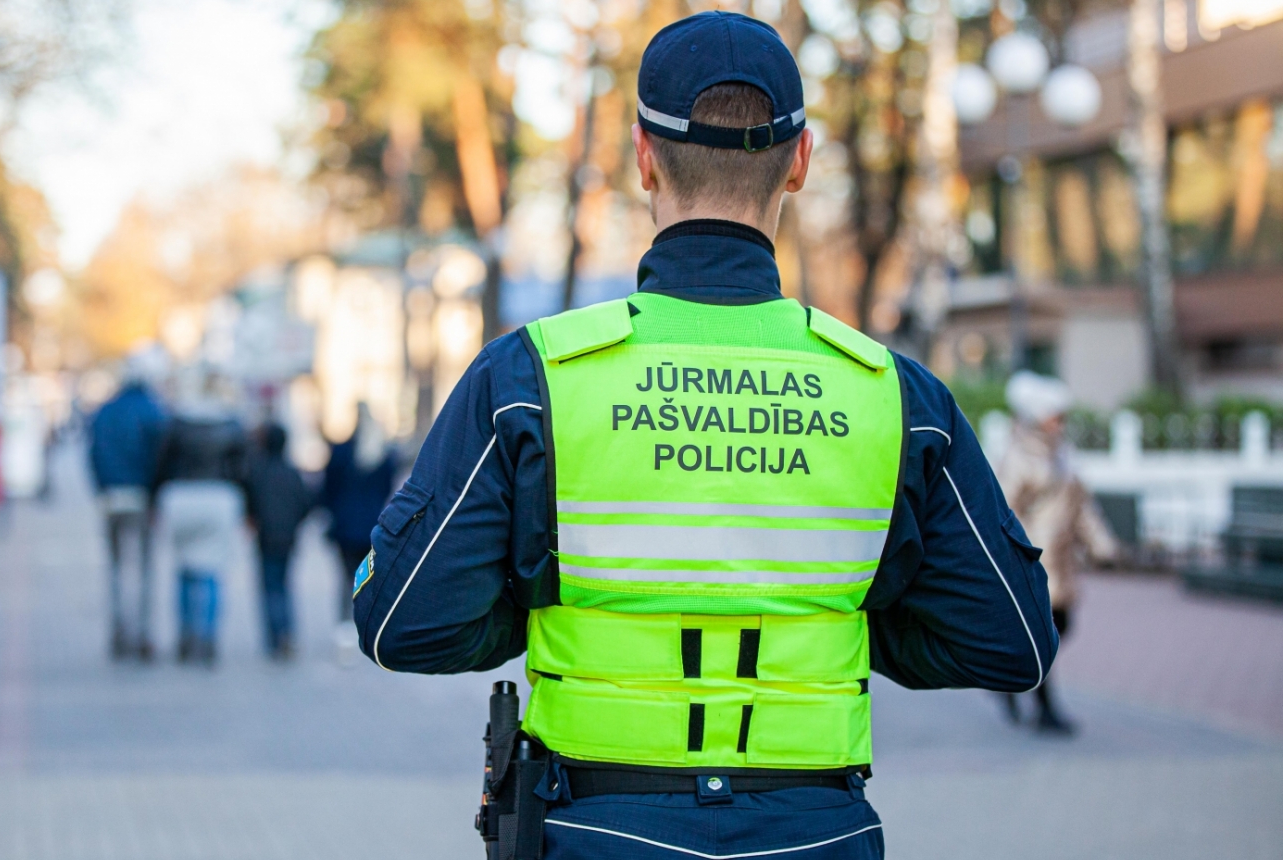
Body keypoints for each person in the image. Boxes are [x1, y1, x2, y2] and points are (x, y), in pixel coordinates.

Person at [352, 12, 1059, 859]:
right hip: (814, 836)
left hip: (594, 828)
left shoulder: (531, 378)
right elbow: (1014, 640)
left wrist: (544, 601)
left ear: (643, 156)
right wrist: (837, 615)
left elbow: (402, 621)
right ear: (799, 164)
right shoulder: (893, 394)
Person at [996, 371, 1118, 735]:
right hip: (1033, 563)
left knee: (1062, 626)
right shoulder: (1019, 456)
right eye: (1054, 415)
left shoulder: (1064, 456)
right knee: (1044, 637)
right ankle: (1045, 709)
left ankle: (1007, 679)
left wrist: (1104, 548)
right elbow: (1002, 511)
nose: (1060, 422)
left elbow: (1083, 509)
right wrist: (1011, 557)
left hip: (1062, 562)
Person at [153, 369, 248, 665]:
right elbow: (243, 470)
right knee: (212, 572)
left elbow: (161, 464)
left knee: (184, 569)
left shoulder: (177, 422)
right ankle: (207, 637)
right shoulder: (231, 424)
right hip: (219, 499)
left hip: (181, 497)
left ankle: (185, 635)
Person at [87, 345, 168, 661]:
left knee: (117, 568)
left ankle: (120, 632)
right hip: (142, 496)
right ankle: (144, 634)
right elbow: (161, 455)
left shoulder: (106, 411)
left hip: (111, 496)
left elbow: (93, 453)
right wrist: (155, 494)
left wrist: (102, 487)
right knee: (146, 569)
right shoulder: (153, 409)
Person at [321, 403, 396, 663]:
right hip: (373, 528)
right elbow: (388, 491)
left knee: (346, 581)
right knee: (369, 582)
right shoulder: (383, 455)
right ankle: (368, 632)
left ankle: (345, 637)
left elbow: (328, 490)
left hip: (344, 527)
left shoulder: (341, 452)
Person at [244, 422, 311, 660]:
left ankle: (275, 638)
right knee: (283, 586)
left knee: (270, 588)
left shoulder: (258, 471)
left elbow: (250, 504)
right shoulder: (292, 472)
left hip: (266, 538)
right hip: (287, 538)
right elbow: (305, 504)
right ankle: (286, 633)